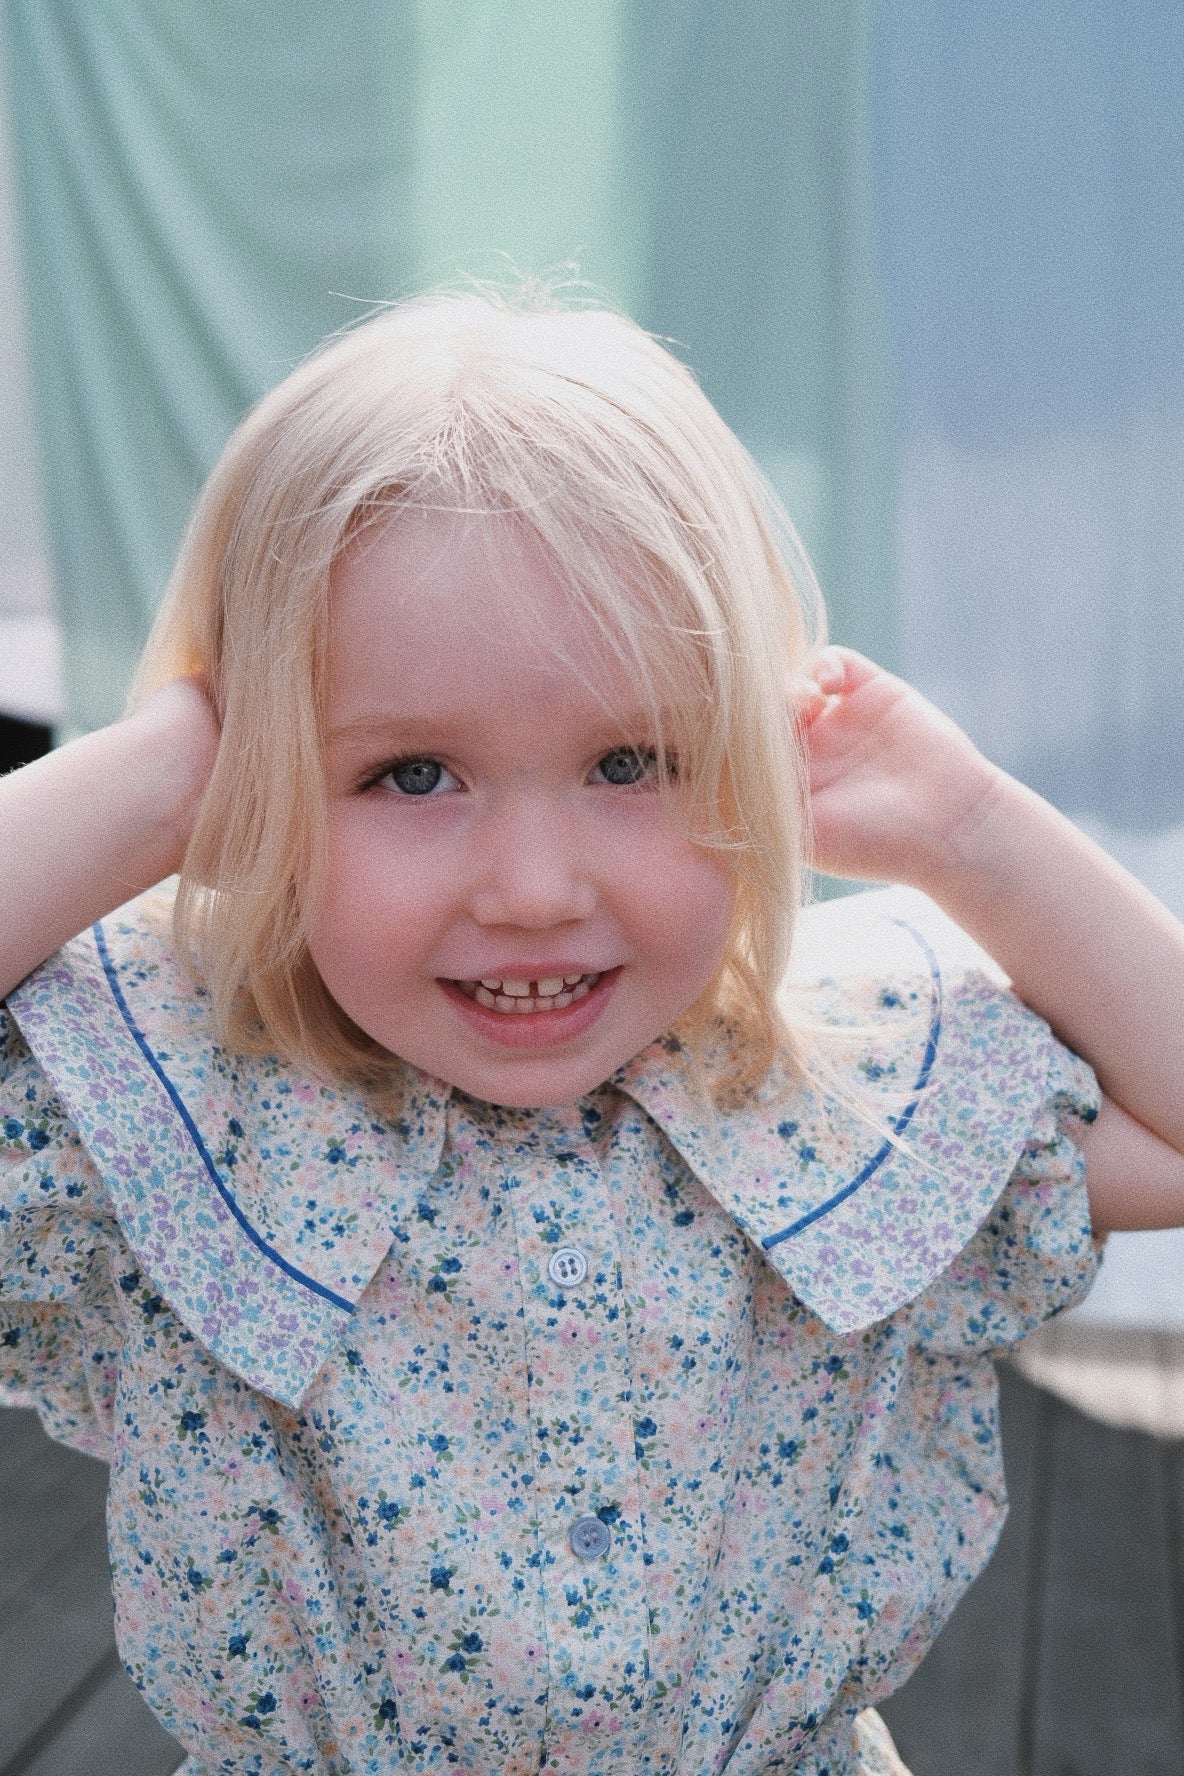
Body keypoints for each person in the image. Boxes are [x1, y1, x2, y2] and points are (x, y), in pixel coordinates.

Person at [2, 294, 1183, 1776]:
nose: (536, 890)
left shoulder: (825, 1096)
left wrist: (974, 832)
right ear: (264, 775)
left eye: (633, 760)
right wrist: (167, 785)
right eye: (412, 773)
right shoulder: (190, 1119)